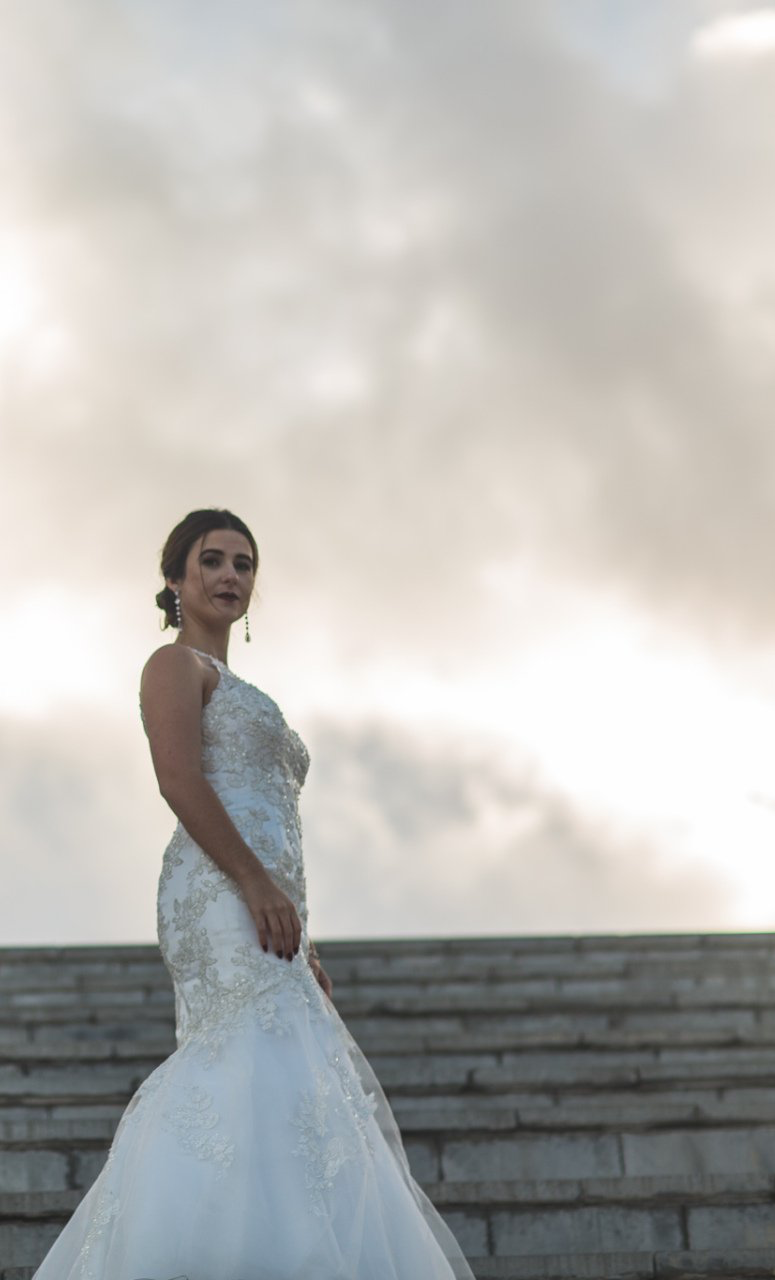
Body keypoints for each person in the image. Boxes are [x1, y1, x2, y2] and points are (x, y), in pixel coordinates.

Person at [32, 509, 474, 1280]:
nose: (230, 575)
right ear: (175, 581)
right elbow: (178, 780)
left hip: (263, 896)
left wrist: (305, 937)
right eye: (211, 561)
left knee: (287, 1066)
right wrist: (250, 882)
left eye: (243, 564)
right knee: (242, 1055)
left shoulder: (239, 683)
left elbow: (280, 825)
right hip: (215, 889)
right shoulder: (173, 666)